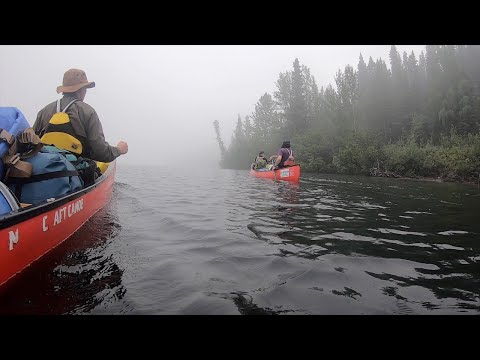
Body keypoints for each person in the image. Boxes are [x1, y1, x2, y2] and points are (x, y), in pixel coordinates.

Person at [33, 68, 128, 163]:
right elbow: (100, 153)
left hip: (44, 170)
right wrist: (118, 150)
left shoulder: (44, 112)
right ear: (80, 90)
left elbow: (32, 144)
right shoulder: (88, 112)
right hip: (76, 173)